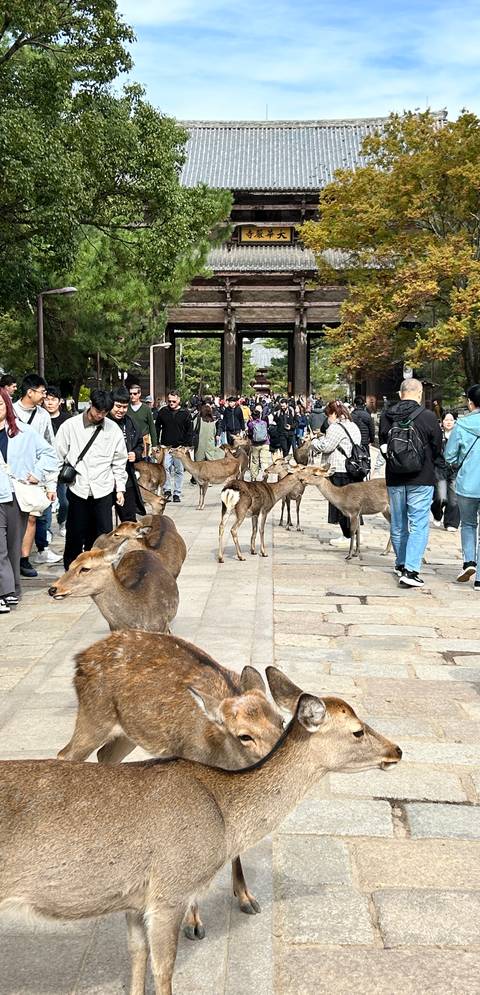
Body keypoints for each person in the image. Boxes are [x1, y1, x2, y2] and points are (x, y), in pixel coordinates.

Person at [379, 378, 442, 588]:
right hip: (422, 478)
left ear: (400, 393)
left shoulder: (386, 416)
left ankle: (401, 563)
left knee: (398, 523)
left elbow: (382, 446)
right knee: (418, 524)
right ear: (420, 393)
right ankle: (411, 570)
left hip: (395, 477)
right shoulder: (429, 417)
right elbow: (437, 448)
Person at [56, 388, 128, 570]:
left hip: (103, 488)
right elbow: (57, 455)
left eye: (104, 413)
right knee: (75, 532)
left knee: (102, 533)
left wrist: (120, 488)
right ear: (90, 405)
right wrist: (51, 487)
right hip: (78, 486)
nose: (100, 415)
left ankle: (99, 568)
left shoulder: (113, 430)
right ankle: (71, 568)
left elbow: (119, 461)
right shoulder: (70, 426)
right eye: (98, 411)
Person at [0, 387, 57, 611]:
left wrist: (38, 473)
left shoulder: (23, 432)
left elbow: (49, 454)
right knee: (0, 547)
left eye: (1, 404)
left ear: (8, 406)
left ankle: (12, 589)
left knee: (14, 544)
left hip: (17, 495)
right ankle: (3, 592)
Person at [14, 375, 59, 576]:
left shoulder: (43, 416)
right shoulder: (10, 411)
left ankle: (24, 558)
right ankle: (11, 558)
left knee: (32, 517)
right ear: (29, 392)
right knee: (13, 520)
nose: (44, 396)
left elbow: (51, 449)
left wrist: (50, 484)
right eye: (42, 392)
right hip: (11, 476)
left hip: (34, 477)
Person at [311, 399, 362, 542]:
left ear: (333, 413)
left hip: (339, 469)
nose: (328, 419)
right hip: (352, 468)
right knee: (353, 504)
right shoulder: (353, 425)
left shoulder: (335, 428)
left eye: (328, 415)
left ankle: (347, 536)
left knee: (341, 504)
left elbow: (326, 447)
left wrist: (314, 441)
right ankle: (355, 535)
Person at [445, 385, 480, 586]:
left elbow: (449, 455)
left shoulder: (462, 424)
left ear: (470, 402)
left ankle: (469, 560)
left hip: (467, 483)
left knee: (468, 524)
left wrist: (460, 459)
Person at [108, 387, 146, 521]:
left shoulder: (130, 422)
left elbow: (140, 444)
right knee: (102, 521)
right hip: (105, 476)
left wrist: (136, 454)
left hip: (126, 474)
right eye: (118, 406)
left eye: (124, 407)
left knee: (129, 518)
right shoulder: (103, 422)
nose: (121, 410)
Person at [155, 390, 193, 503]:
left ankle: (177, 492)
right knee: (165, 467)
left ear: (179, 400)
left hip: (179, 447)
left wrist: (187, 445)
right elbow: (157, 427)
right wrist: (156, 442)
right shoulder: (163, 412)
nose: (171, 403)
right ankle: (167, 490)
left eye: (173, 401)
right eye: (169, 401)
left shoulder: (185, 413)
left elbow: (189, 431)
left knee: (179, 470)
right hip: (166, 446)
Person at [44, 386, 71, 536]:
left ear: (59, 401)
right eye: (47, 399)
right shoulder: (40, 417)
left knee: (65, 501)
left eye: (53, 399)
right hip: (45, 467)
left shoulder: (67, 419)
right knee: (46, 501)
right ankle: (46, 530)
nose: (49, 403)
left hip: (62, 467)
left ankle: (62, 521)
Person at [431, 412, 460, 532]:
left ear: (455, 422)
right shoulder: (437, 434)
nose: (448, 422)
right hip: (440, 469)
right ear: (442, 422)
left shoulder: (459, 435)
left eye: (451, 420)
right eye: (446, 420)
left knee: (453, 498)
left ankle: (451, 522)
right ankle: (437, 513)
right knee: (441, 497)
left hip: (454, 469)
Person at [128, 384, 157, 456]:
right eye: (130, 393)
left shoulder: (146, 409)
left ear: (139, 394)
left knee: (144, 463)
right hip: (130, 440)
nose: (132, 396)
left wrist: (154, 444)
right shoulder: (126, 408)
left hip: (144, 439)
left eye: (135, 394)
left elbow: (152, 427)